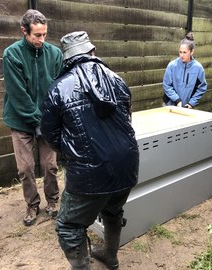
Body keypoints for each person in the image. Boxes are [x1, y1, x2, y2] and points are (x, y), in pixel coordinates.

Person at [41, 31, 139, 269]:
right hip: (126, 165)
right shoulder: (118, 80)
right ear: (92, 52)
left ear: (67, 58)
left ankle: (95, 261)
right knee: (113, 211)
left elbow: (51, 135)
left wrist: (73, 156)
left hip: (88, 174)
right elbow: (128, 119)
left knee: (69, 225)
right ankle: (110, 256)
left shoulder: (58, 89)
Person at [2, 9, 63, 226]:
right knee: (25, 168)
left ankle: (53, 200)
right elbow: (18, 95)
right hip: (21, 121)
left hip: (46, 120)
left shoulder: (55, 54)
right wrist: (38, 119)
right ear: (24, 31)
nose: (42, 39)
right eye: (37, 35)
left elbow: (58, 88)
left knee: (50, 165)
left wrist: (52, 118)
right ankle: (32, 204)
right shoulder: (12, 54)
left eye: (44, 34)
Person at [162, 32, 207, 108]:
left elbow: (202, 87)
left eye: (185, 52)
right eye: (180, 52)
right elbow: (166, 85)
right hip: (170, 105)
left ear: (192, 52)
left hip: (187, 107)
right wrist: (177, 100)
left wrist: (192, 103)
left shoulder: (198, 68)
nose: (181, 55)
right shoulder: (172, 65)